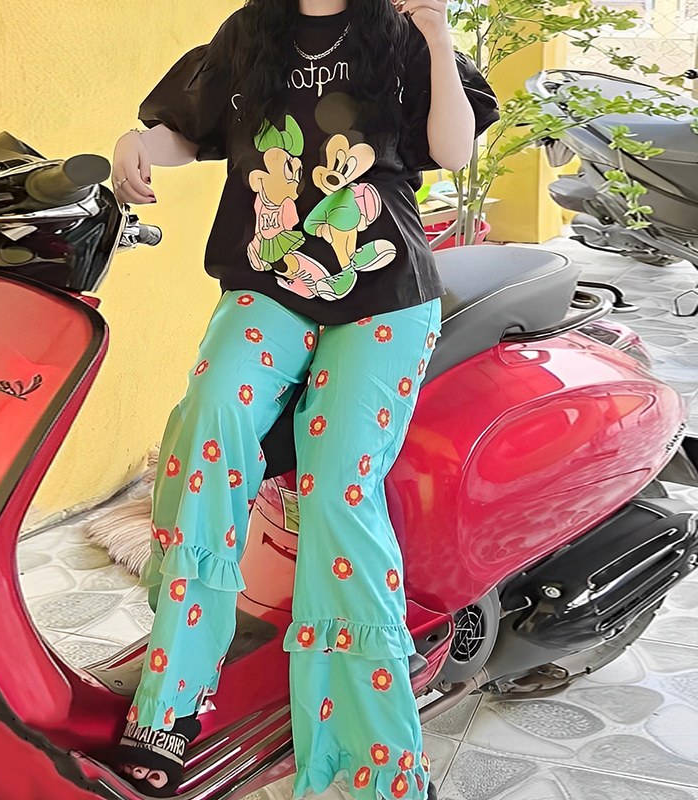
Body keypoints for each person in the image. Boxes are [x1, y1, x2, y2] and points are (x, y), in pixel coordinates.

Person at [109, 0, 498, 797]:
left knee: (337, 492)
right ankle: (172, 700)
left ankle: (375, 761)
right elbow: (189, 128)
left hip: (385, 299)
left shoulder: (400, 32)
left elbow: (454, 150)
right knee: (209, 421)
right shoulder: (250, 31)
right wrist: (137, 145)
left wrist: (437, 34)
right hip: (269, 287)